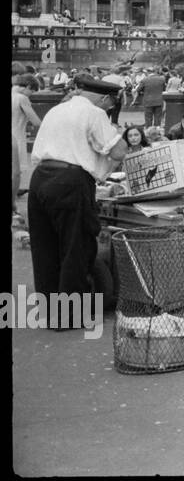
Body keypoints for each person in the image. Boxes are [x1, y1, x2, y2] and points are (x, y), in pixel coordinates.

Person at [27, 75, 128, 306]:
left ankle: (50, 309)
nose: (110, 108)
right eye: (111, 104)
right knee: (76, 247)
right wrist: (114, 132)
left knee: (45, 248)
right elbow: (119, 151)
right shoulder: (94, 113)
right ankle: (71, 312)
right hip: (70, 180)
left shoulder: (57, 109)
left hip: (40, 178)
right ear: (104, 99)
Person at [12, 72, 43, 179]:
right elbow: (36, 122)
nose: (31, 95)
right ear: (29, 86)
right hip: (16, 137)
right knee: (15, 171)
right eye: (32, 92)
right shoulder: (22, 98)